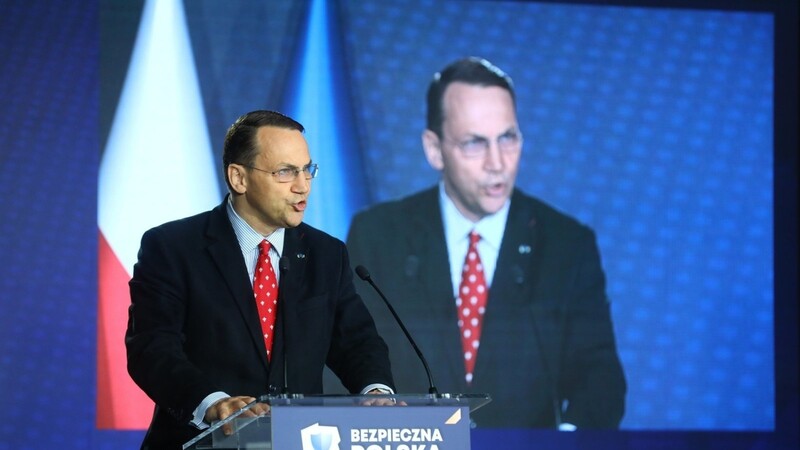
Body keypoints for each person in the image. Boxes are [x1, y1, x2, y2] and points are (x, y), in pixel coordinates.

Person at [345, 57, 626, 429]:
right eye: (475, 143)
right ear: (434, 149)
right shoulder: (378, 235)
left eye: (508, 138)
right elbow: (347, 357)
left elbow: (600, 377)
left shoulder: (567, 244)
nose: (498, 163)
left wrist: (566, 442)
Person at [126, 110, 395, 449]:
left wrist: (375, 392)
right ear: (239, 178)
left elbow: (356, 342)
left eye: (307, 169)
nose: (303, 186)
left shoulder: (326, 254)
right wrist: (213, 404)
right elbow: (152, 349)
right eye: (285, 172)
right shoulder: (173, 248)